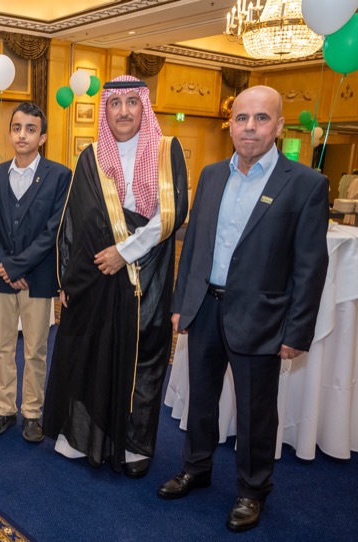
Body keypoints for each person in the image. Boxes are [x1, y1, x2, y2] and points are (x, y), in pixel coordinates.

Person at [158, 85, 329, 532]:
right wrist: (182, 304)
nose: (250, 127)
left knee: (256, 412)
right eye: (241, 118)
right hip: (205, 309)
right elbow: (195, 245)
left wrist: (297, 331)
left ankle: (253, 490)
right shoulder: (212, 174)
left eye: (261, 118)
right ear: (230, 125)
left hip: (261, 317)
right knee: (201, 398)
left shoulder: (306, 184)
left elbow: (310, 267)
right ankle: (196, 468)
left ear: (279, 126)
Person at [43, 75, 188, 477]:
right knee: (92, 351)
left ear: (144, 106)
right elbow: (74, 220)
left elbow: (172, 212)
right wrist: (67, 279)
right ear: (104, 110)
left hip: (147, 271)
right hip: (96, 275)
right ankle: (82, 437)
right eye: (115, 103)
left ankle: (135, 444)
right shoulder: (90, 155)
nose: (123, 111)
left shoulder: (166, 149)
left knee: (143, 355)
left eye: (131, 102)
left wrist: (124, 253)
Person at [0, 102, 71, 443]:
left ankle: (32, 413)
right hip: (2, 276)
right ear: (9, 133)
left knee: (35, 349)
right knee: (2, 347)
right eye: (17, 128)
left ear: (42, 137)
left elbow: (54, 230)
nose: (22, 135)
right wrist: (6, 266)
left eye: (30, 129)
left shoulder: (59, 175)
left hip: (39, 277)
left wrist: (18, 266)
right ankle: (4, 409)